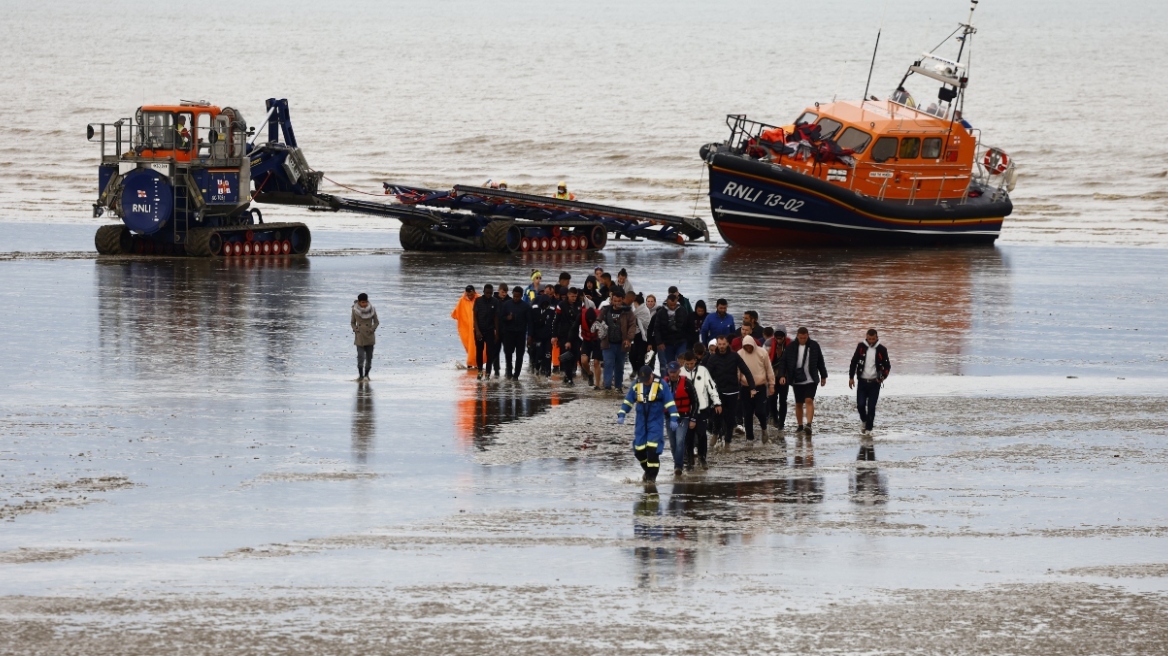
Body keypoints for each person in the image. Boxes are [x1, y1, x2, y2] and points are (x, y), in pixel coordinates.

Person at [617, 366, 680, 483]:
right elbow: (628, 400)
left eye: (647, 379)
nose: (645, 382)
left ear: (652, 375)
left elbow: (669, 401)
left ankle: (651, 479)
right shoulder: (636, 384)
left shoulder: (661, 385)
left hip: (655, 420)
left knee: (652, 450)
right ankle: (648, 472)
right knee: (639, 449)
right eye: (643, 379)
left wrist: (674, 417)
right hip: (641, 421)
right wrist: (622, 413)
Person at [705, 335, 755, 450]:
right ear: (717, 344)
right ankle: (716, 433)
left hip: (733, 392)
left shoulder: (734, 356)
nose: (721, 347)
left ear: (727, 344)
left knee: (730, 419)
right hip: (719, 392)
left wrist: (752, 387)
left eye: (723, 344)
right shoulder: (713, 358)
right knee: (717, 416)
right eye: (720, 344)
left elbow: (746, 371)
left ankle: (727, 442)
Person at [779, 327, 828, 436]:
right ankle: (800, 426)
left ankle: (809, 425)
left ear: (807, 336)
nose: (803, 340)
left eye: (805, 338)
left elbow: (820, 361)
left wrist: (824, 376)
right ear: (797, 336)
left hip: (811, 378)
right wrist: (782, 375)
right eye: (801, 338)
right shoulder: (791, 347)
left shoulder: (814, 346)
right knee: (799, 403)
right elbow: (783, 362)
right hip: (797, 379)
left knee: (809, 400)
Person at [679, 350, 720, 470]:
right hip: (687, 410)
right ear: (685, 362)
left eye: (692, 363)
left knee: (702, 434)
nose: (690, 366)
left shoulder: (703, 370)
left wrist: (717, 402)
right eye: (688, 363)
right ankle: (689, 458)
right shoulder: (680, 373)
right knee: (688, 436)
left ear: (695, 361)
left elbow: (711, 387)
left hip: (702, 408)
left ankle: (702, 457)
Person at [849, 328, 891, 434]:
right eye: (869, 339)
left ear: (877, 337)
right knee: (860, 405)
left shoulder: (882, 349)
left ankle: (869, 429)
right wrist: (851, 378)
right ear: (866, 337)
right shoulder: (861, 347)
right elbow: (853, 362)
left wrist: (883, 377)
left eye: (873, 339)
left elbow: (887, 366)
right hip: (862, 382)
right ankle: (864, 420)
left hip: (875, 383)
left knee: (871, 407)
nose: (871, 341)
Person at [737, 336, 775, 444]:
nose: (748, 348)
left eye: (750, 346)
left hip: (760, 386)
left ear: (753, 345)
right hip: (745, 387)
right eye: (746, 346)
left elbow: (769, 369)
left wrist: (771, 384)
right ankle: (749, 438)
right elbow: (737, 372)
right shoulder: (739, 354)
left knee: (760, 411)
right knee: (747, 414)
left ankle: (764, 429)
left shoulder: (762, 353)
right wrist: (736, 388)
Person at [598, 286, 637, 392]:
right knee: (608, 364)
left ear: (623, 300)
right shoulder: (605, 310)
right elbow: (597, 321)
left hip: (622, 344)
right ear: (612, 300)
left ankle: (618, 387)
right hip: (608, 343)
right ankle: (607, 387)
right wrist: (599, 328)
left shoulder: (628, 312)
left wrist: (629, 339)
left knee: (619, 367)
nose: (617, 303)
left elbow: (633, 326)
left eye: (619, 301)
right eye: (615, 301)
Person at [664, 362, 698, 477]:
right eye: (670, 372)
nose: (672, 375)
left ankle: (678, 467)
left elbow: (695, 402)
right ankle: (677, 464)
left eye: (674, 372)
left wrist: (693, 419)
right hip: (669, 418)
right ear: (668, 371)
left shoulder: (687, 383)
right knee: (673, 444)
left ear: (679, 371)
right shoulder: (664, 384)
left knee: (679, 441)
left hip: (683, 417)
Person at [650, 294, 691, 377]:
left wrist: (688, 341)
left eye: (674, 305)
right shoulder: (661, 312)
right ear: (667, 302)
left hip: (681, 341)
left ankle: (683, 380)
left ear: (677, 302)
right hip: (667, 343)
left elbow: (688, 327)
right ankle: (669, 382)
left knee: (682, 362)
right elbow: (656, 329)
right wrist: (659, 342)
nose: (672, 307)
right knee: (670, 364)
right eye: (670, 305)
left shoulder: (682, 310)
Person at [553, 287, 583, 386]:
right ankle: (569, 377)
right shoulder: (561, 305)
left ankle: (569, 374)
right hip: (564, 334)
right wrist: (554, 335)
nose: (574, 298)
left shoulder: (579, 305)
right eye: (572, 296)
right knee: (565, 356)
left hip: (576, 334)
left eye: (575, 296)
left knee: (576, 354)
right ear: (568, 295)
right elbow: (556, 321)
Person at [500, 286, 530, 379]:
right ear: (512, 294)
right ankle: (509, 371)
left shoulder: (526, 306)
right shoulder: (506, 304)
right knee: (508, 353)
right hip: (508, 333)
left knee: (520, 355)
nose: (516, 298)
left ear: (521, 296)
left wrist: (530, 335)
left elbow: (530, 322)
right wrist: (507, 318)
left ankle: (516, 375)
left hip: (520, 334)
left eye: (518, 296)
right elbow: (501, 318)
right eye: (514, 296)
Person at [765, 326, 792, 432]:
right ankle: (775, 418)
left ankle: (781, 423)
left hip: (784, 375)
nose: (779, 338)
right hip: (771, 375)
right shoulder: (768, 343)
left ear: (785, 336)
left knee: (783, 400)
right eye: (777, 336)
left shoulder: (791, 344)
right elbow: (763, 359)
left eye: (781, 336)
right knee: (771, 398)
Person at [473, 284, 500, 380]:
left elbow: (496, 317)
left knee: (490, 352)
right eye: (487, 293)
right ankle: (480, 371)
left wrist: (497, 332)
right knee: (479, 351)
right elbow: (475, 316)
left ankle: (488, 373)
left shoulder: (495, 302)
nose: (489, 294)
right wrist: (477, 331)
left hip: (490, 330)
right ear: (484, 292)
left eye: (490, 293)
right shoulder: (478, 301)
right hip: (479, 330)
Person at [351, 293, 379, 381]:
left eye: (366, 302)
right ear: (359, 302)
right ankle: (360, 376)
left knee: (369, 357)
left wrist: (372, 329)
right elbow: (352, 322)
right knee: (360, 356)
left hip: (369, 336)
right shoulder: (354, 310)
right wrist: (355, 329)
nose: (364, 304)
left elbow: (376, 322)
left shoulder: (372, 309)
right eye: (362, 302)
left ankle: (367, 375)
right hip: (359, 336)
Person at [450, 285, 478, 369]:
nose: (469, 296)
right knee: (469, 346)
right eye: (468, 294)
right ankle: (471, 365)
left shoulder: (479, 299)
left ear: (474, 292)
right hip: (466, 328)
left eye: (471, 294)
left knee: (477, 347)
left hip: (478, 328)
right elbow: (455, 314)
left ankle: (475, 364)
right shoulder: (462, 300)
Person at [528, 295, 556, 377]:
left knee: (548, 355)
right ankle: (536, 370)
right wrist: (530, 335)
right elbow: (531, 323)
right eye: (543, 304)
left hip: (548, 337)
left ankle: (547, 374)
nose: (545, 305)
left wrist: (554, 336)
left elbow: (554, 324)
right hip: (537, 336)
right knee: (539, 354)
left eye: (547, 304)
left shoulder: (552, 310)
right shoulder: (534, 309)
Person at [628, 292, 651, 373]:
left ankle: (640, 374)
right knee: (632, 355)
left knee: (640, 357)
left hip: (643, 336)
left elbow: (646, 324)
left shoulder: (644, 310)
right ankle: (635, 370)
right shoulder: (637, 311)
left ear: (635, 302)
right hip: (635, 336)